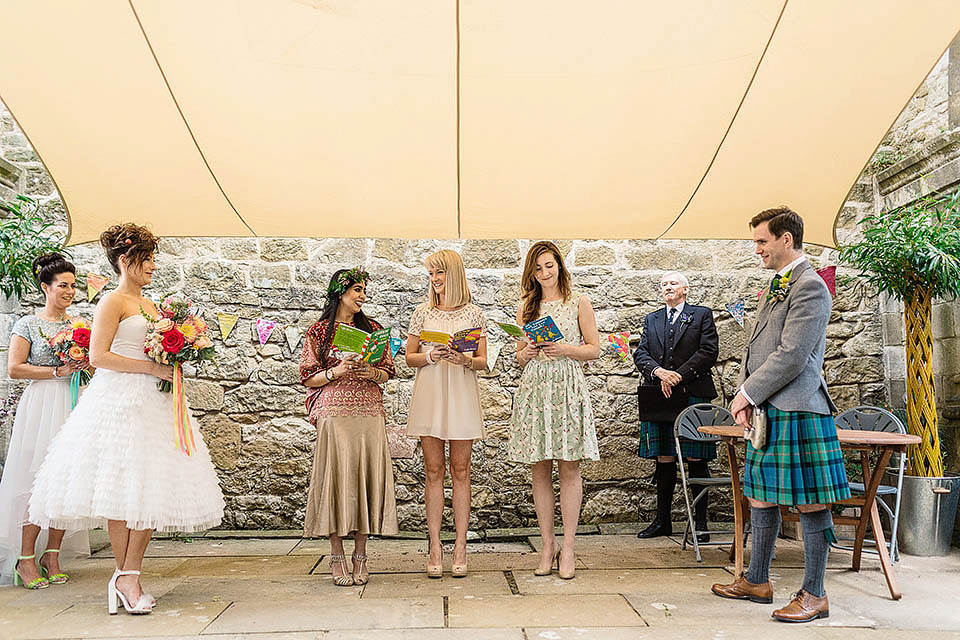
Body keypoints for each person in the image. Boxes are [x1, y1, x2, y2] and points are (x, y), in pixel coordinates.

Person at [28, 223, 224, 615]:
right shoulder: (112, 301)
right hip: (120, 403)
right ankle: (125, 574)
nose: (152, 266)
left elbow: (156, 353)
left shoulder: (154, 307)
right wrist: (152, 369)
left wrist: (178, 355)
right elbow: (98, 357)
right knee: (122, 490)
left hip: (157, 406)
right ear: (124, 260)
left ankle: (128, 574)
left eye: (153, 258)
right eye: (146, 259)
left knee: (151, 487)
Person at [711, 207, 849, 623]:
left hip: (799, 408)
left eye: (761, 241)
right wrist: (747, 394)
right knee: (760, 494)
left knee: (810, 502)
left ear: (786, 239)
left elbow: (791, 356)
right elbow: (758, 347)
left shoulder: (810, 287)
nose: (757, 249)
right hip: (770, 408)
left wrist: (746, 393)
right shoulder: (780, 286)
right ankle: (756, 580)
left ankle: (815, 593)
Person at [300, 267, 398, 586]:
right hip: (334, 410)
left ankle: (361, 554)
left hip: (369, 410)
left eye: (364, 290)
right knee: (336, 477)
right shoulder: (319, 332)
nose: (362, 296)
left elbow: (388, 371)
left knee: (364, 478)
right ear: (340, 292)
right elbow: (307, 376)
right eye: (357, 289)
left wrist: (372, 372)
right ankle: (336, 554)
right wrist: (338, 370)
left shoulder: (374, 328)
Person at [508, 241, 600, 579]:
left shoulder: (579, 302)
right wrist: (527, 352)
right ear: (531, 273)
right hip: (536, 388)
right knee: (540, 468)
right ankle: (547, 545)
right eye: (538, 268)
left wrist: (564, 348)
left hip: (566, 385)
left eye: (549, 265)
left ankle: (570, 548)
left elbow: (594, 350)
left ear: (559, 265)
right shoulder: (527, 307)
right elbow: (519, 354)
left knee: (570, 468)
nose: (545, 273)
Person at [0, 253, 90, 589]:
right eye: (63, 285)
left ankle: (52, 554)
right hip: (41, 404)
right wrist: (57, 370)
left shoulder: (77, 326)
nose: (70, 291)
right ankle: (25, 559)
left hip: (72, 402)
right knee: (35, 478)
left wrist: (85, 365)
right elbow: (15, 368)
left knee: (65, 480)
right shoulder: (27, 324)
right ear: (45, 287)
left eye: (73, 285)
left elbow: (93, 365)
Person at [405, 249, 486, 578]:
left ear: (454, 274)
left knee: (461, 470)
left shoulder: (475, 314)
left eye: (440, 273)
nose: (435, 280)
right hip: (431, 392)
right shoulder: (422, 312)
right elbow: (409, 357)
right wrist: (431, 356)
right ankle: (435, 544)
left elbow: (483, 361)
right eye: (431, 274)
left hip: (461, 392)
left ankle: (461, 545)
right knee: (434, 470)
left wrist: (462, 359)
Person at [633, 271, 719, 541]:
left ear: (685, 289)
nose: (667, 287)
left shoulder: (701, 314)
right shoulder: (653, 319)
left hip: (692, 390)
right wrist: (659, 372)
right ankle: (663, 522)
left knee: (696, 457)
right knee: (664, 457)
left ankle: (701, 524)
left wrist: (678, 375)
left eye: (672, 283)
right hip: (661, 393)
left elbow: (708, 351)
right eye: (663, 285)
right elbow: (641, 352)